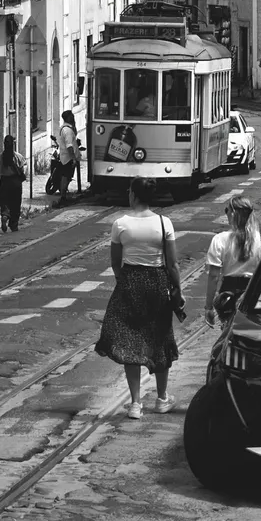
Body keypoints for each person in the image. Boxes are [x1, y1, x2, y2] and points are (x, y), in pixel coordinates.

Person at [94, 177, 182, 420]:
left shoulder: (120, 224)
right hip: (157, 284)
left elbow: (115, 262)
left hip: (130, 283)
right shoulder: (164, 223)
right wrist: (177, 290)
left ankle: (135, 403)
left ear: (133, 195)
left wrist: (127, 281)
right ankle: (162, 399)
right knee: (160, 338)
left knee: (129, 341)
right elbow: (172, 264)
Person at [203, 194, 261, 325]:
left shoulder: (220, 239)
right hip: (256, 291)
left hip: (229, 292)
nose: (226, 214)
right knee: (257, 326)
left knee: (229, 328)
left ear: (233, 213)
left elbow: (213, 276)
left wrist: (208, 307)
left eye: (226, 210)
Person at [0, 134, 26, 232]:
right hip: (15, 181)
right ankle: (13, 224)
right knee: (16, 203)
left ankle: (5, 214)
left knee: (4, 200)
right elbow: (23, 169)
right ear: (13, 144)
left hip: (4, 181)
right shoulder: (18, 157)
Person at [57, 109, 79, 202]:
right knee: (66, 177)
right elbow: (69, 146)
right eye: (72, 117)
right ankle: (63, 196)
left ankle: (63, 195)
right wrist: (73, 158)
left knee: (66, 176)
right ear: (69, 118)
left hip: (64, 156)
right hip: (68, 158)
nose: (74, 118)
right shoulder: (68, 131)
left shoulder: (65, 128)